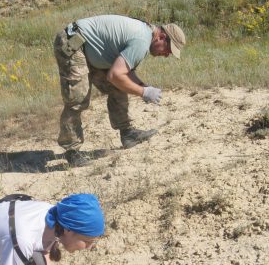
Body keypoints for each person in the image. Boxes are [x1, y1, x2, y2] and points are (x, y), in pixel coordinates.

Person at [53, 15, 186, 166]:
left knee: (120, 85)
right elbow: (115, 75)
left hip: (88, 47)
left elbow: (124, 73)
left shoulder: (145, 35)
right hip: (73, 41)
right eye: (169, 49)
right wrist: (144, 92)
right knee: (77, 99)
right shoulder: (142, 41)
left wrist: (143, 86)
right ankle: (72, 152)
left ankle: (127, 133)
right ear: (161, 37)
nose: (167, 55)